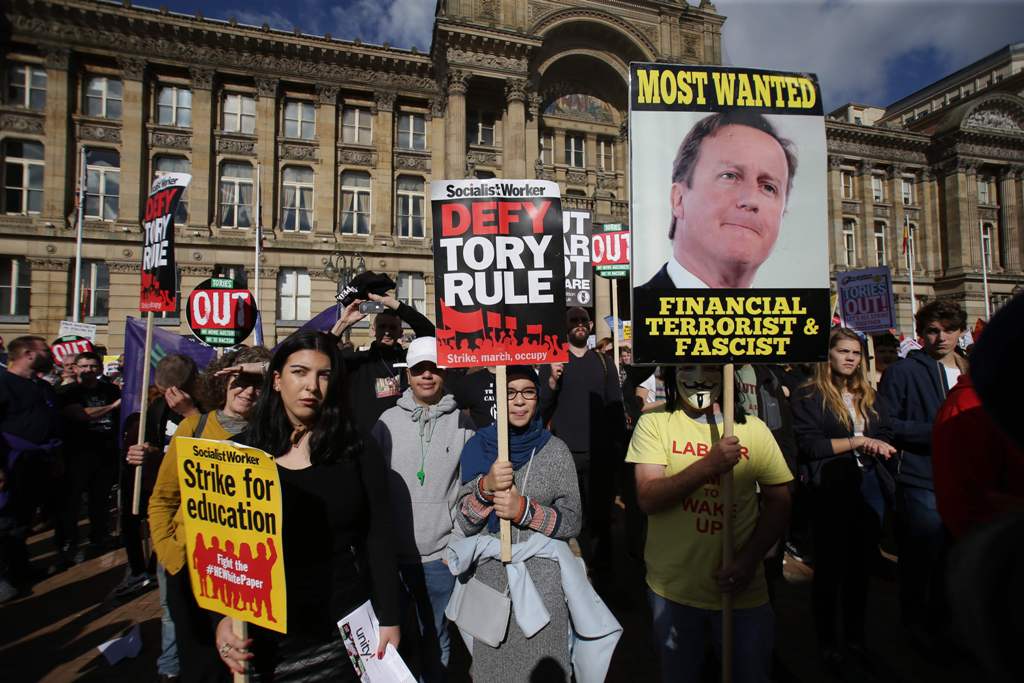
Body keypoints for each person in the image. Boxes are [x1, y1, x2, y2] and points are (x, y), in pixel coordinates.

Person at [215, 331, 399, 681]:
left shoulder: (357, 449)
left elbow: (378, 536)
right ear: (277, 379)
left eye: (324, 374)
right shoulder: (238, 455)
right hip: (262, 634)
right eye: (299, 372)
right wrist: (222, 619)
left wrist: (389, 616)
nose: (311, 386)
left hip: (344, 631)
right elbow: (219, 552)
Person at [627, 364, 792, 683]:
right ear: (673, 373)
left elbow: (779, 501)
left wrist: (748, 561)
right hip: (674, 592)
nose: (699, 376)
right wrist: (709, 466)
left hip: (744, 594)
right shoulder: (654, 423)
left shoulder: (754, 429)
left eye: (711, 367)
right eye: (688, 366)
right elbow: (647, 498)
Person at [143, 346, 270, 682]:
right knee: (199, 665)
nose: (248, 390)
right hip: (189, 568)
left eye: (257, 382)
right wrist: (172, 556)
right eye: (238, 381)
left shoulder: (272, 435)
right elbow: (162, 499)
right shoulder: (194, 428)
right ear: (221, 383)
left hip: (244, 573)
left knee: (240, 665)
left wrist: (267, 368)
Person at [453, 365, 588, 681]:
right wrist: (485, 488)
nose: (519, 401)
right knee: (494, 672)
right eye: (510, 393)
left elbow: (572, 522)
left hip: (544, 587)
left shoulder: (556, 451)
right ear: (499, 399)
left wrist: (524, 511)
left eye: (528, 392)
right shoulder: (478, 447)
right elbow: (465, 522)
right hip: (490, 583)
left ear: (537, 398)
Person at [790, 328, 896, 672]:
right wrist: (858, 442)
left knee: (860, 569)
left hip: (869, 487)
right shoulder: (808, 396)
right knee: (829, 571)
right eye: (843, 351)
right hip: (830, 489)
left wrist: (876, 441)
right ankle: (827, 645)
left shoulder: (869, 394)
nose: (850, 358)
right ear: (828, 355)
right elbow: (811, 446)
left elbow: (885, 430)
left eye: (855, 353)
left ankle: (855, 639)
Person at [371, 337, 473, 682]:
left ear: (442, 373)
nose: (426, 376)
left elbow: (469, 488)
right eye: (419, 370)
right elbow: (372, 487)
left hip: (440, 559)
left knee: (438, 639)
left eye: (433, 369)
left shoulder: (463, 422)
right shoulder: (385, 422)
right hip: (394, 560)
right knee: (395, 640)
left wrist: (455, 541)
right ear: (408, 375)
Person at [878, 300, 968, 646]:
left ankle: (946, 625)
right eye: (932, 330)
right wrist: (937, 430)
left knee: (955, 556)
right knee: (922, 557)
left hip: (963, 477)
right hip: (920, 476)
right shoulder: (903, 371)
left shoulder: (969, 369)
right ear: (921, 334)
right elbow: (886, 423)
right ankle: (917, 626)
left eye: (948, 329)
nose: (940, 337)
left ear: (960, 332)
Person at [638, 110, 798, 290]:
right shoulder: (637, 310)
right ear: (679, 199)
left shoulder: (797, 316)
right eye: (729, 176)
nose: (751, 199)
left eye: (768, 187)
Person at [123, 353, 202, 682]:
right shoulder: (151, 413)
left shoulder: (209, 409)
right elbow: (156, 467)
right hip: (170, 520)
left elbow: (214, 447)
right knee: (171, 604)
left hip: (202, 518)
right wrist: (143, 454)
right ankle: (170, 665)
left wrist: (191, 414)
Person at [538, 307, 625, 574]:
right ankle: (568, 577)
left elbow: (615, 408)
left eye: (583, 321)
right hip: (565, 454)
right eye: (573, 321)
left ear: (589, 326)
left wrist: (619, 451)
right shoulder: (554, 361)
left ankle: (603, 579)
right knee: (568, 519)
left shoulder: (602, 361)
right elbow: (542, 408)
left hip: (599, 455)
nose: (579, 324)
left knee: (600, 521)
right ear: (566, 327)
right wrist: (552, 380)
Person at [0, 336, 64, 597]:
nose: (51, 354)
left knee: (23, 519)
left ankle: (19, 568)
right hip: (10, 462)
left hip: (37, 463)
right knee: (4, 521)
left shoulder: (41, 386)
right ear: (27, 353)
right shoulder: (3, 383)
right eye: (45, 350)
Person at [333, 293, 435, 435]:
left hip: (405, 437)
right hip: (366, 440)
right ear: (372, 330)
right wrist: (343, 323)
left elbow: (429, 333)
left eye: (392, 328)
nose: (387, 332)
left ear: (401, 332)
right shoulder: (357, 361)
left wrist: (392, 303)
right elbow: (324, 356)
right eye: (382, 327)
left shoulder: (410, 359)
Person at [59, 351, 121, 560]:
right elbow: (80, 415)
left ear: (100, 369)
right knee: (72, 502)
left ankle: (99, 538)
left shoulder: (111, 389)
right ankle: (69, 543)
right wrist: (113, 406)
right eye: (84, 366)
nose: (88, 370)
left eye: (93, 366)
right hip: (78, 453)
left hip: (105, 453)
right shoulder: (67, 392)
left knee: (100, 500)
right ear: (75, 368)